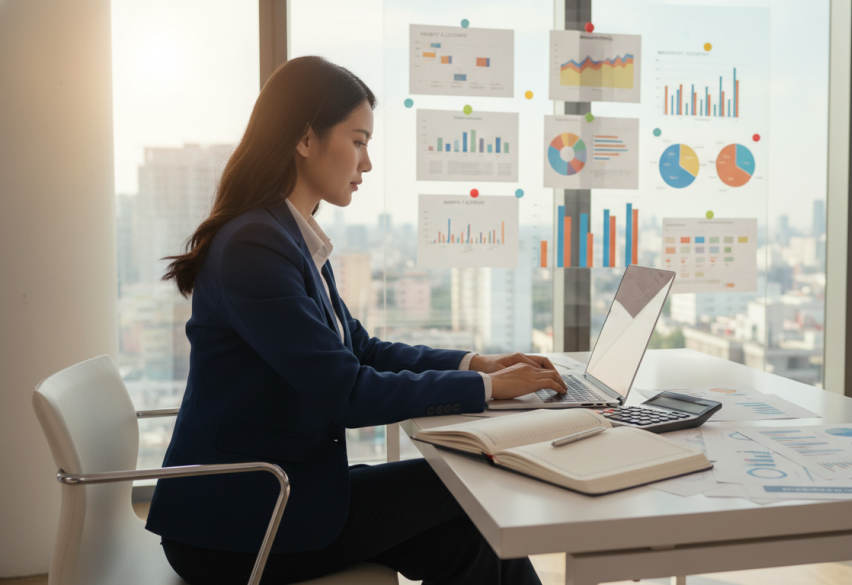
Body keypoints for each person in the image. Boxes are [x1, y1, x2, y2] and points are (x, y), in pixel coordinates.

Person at [145, 55, 567, 585]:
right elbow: (347, 391)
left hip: (280, 490)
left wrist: (477, 362)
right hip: (241, 523)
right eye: (359, 140)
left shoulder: (285, 237)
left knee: (468, 538)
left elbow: (362, 350)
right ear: (305, 139)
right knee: (464, 486)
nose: (366, 164)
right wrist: (484, 388)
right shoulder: (255, 246)